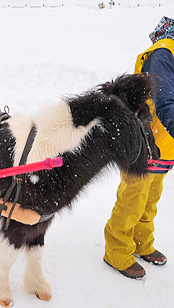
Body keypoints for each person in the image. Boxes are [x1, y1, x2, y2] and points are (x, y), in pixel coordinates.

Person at [104, 16, 174, 279]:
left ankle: (142, 243)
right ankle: (117, 251)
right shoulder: (165, 52)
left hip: (165, 145)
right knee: (132, 200)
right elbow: (165, 101)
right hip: (145, 140)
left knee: (150, 201)